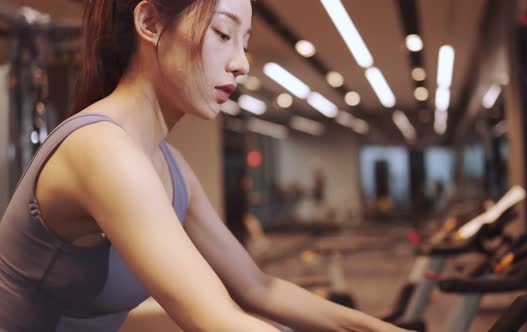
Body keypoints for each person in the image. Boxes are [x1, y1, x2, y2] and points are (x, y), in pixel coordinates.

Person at [0, 0, 412, 331]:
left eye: (244, 43)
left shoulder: (169, 165)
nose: (241, 63)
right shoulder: (100, 149)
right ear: (150, 22)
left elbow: (258, 288)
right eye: (222, 33)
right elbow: (215, 319)